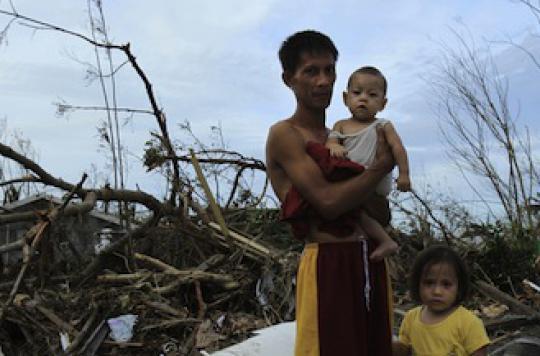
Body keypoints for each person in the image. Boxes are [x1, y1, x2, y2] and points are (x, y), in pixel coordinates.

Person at [266, 29, 395, 356]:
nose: (323, 80)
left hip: (369, 260)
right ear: (288, 79)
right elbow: (327, 203)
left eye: (329, 70)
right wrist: (378, 168)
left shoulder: (345, 138)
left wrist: (365, 176)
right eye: (311, 71)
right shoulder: (285, 134)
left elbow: (383, 214)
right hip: (329, 264)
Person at [325, 66, 411, 261]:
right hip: (353, 181)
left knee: (357, 210)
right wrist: (334, 146)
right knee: (353, 212)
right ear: (346, 98)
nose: (363, 98)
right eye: (357, 93)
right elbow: (330, 142)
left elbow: (398, 148)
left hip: (375, 180)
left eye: (372, 95)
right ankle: (367, 239)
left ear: (383, 103)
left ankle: (386, 240)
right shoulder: (341, 125)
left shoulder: (383, 125)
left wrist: (404, 174)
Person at [395, 245, 490, 356]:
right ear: (417, 284)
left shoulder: (469, 323)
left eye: (446, 284)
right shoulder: (411, 318)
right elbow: (402, 351)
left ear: (459, 288)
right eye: (429, 283)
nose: (437, 291)